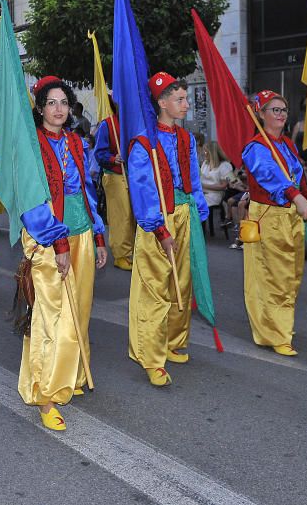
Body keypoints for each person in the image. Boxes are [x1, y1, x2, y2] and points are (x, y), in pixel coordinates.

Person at [17, 76, 106, 428]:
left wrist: (97, 235)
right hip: (48, 237)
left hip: (81, 232)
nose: (58, 109)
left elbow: (87, 192)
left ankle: (72, 374)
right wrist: (58, 242)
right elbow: (32, 201)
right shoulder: (32, 146)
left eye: (64, 103)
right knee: (53, 317)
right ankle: (46, 394)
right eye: (51, 102)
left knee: (79, 310)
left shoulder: (75, 142)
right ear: (39, 108)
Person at [127, 72, 208, 386]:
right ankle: (150, 356)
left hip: (184, 213)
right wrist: (158, 228)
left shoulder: (186, 138)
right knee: (154, 288)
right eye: (180, 99)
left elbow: (194, 179)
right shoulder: (144, 143)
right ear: (161, 102)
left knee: (181, 282)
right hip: (158, 219)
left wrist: (198, 211)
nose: (186, 104)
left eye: (186, 99)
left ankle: (174, 340)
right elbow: (142, 188)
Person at [241, 91, 307, 356]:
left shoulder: (286, 144)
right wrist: (297, 198)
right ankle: (278, 334)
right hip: (269, 217)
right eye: (275, 110)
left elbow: (298, 177)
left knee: (291, 277)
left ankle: (277, 326)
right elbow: (270, 176)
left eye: (284, 109)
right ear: (260, 113)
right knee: (274, 278)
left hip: (291, 217)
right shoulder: (255, 147)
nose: (282, 114)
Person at [93, 104, 135, 270]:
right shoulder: (107, 124)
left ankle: (131, 251)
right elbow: (99, 153)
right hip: (115, 175)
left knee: (132, 215)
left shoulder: (134, 123)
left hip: (134, 176)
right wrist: (112, 159)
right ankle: (121, 255)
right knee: (121, 216)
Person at [200, 141, 234, 212]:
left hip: (215, 194)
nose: (204, 153)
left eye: (206, 151)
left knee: (197, 205)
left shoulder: (224, 165)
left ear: (212, 153)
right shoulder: (205, 164)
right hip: (203, 192)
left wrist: (203, 186)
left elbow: (223, 186)